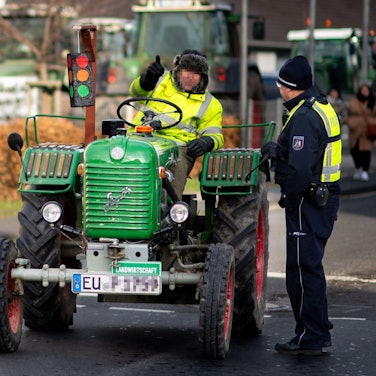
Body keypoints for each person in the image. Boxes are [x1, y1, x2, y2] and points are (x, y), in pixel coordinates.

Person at [264, 55, 342, 355]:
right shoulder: (317, 106)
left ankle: (311, 336)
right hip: (320, 199)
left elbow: (299, 169)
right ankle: (315, 331)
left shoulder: (304, 116)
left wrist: (289, 198)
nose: (279, 88)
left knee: (301, 270)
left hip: (308, 202)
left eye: (281, 83)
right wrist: (278, 150)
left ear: (290, 87)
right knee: (309, 268)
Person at [129, 50, 224, 199]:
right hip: (139, 136)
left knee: (175, 167)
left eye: (196, 73)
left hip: (177, 146)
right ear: (178, 70)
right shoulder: (160, 80)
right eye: (186, 71)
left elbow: (215, 134)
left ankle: (172, 212)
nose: (189, 77)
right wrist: (146, 79)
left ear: (203, 78)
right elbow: (135, 92)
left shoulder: (211, 103)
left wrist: (206, 142)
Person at [346, 83, 376, 181]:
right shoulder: (354, 101)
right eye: (362, 90)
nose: (364, 92)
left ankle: (365, 170)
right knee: (354, 149)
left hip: (367, 130)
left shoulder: (373, 101)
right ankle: (359, 168)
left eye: (366, 90)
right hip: (355, 129)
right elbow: (348, 112)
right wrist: (350, 122)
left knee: (366, 151)